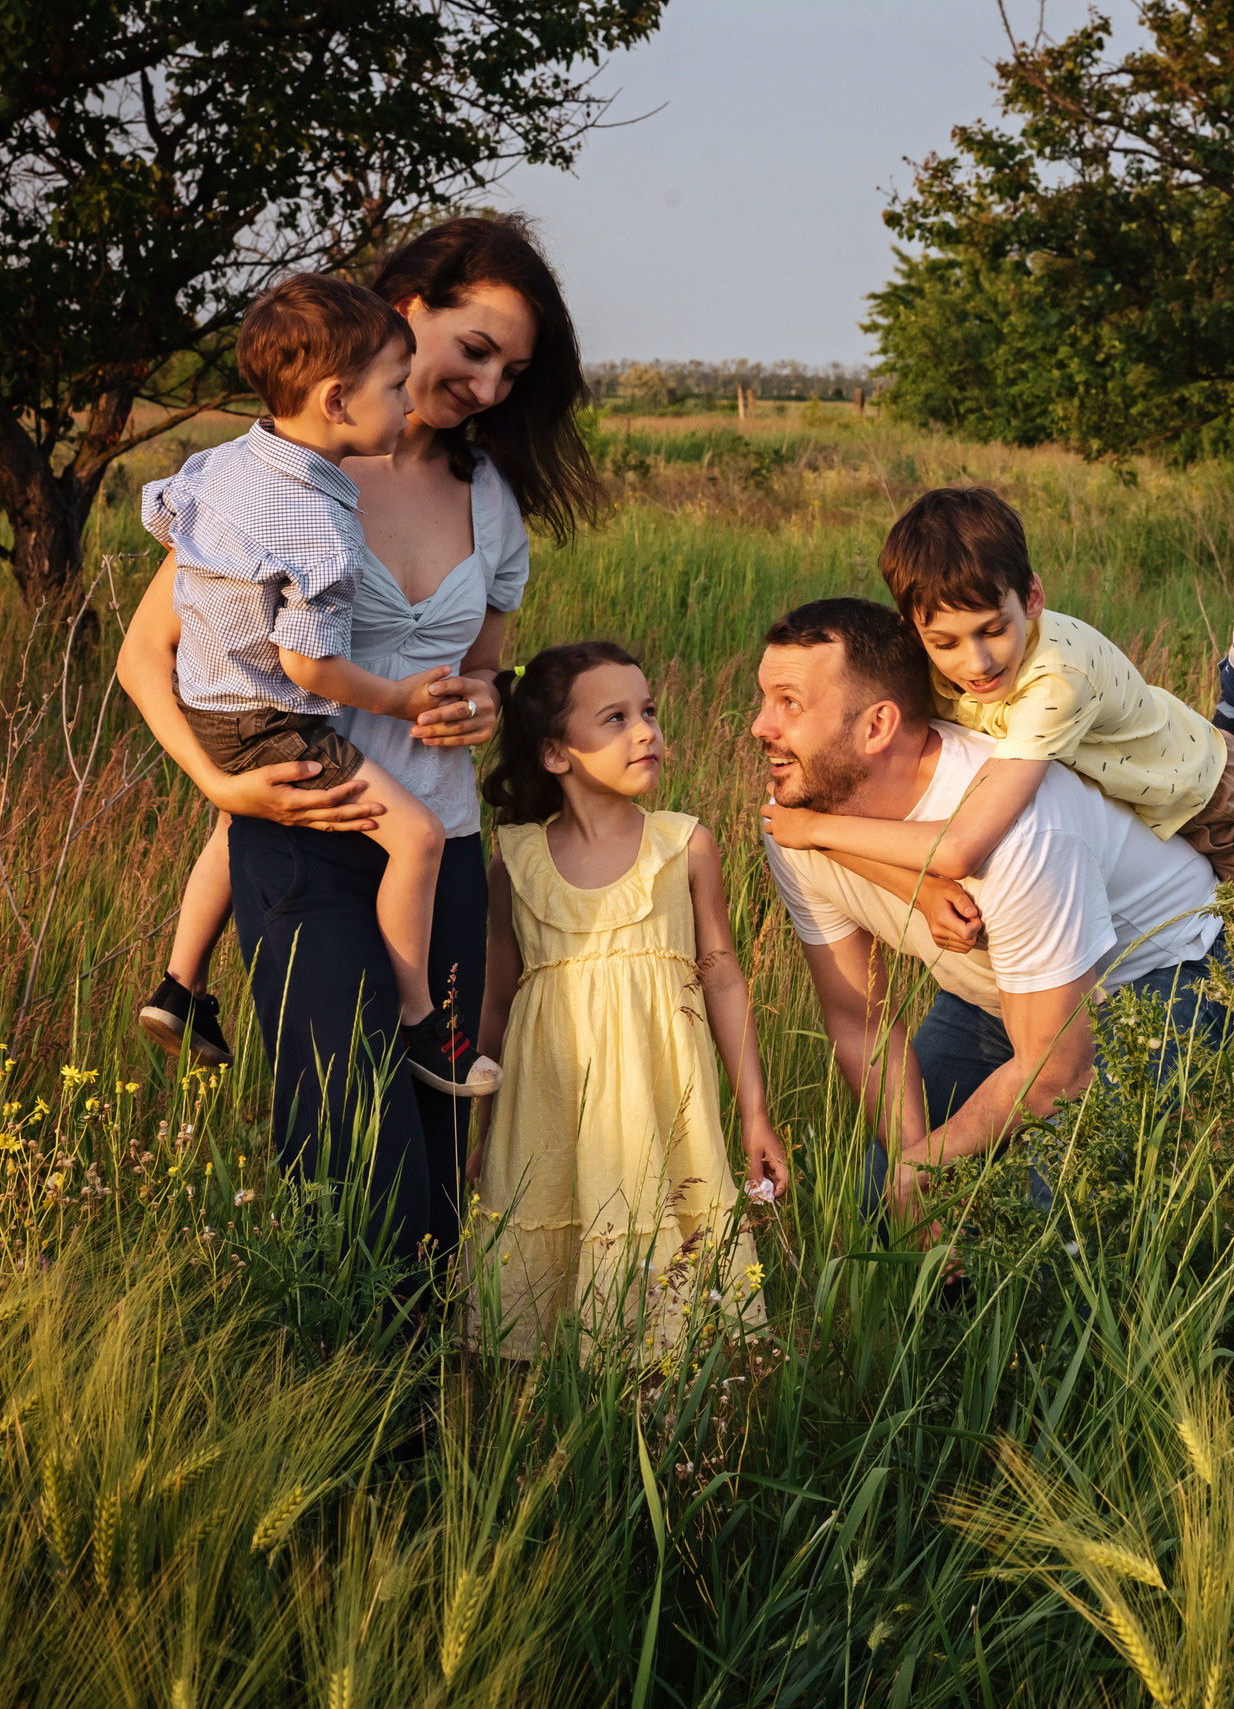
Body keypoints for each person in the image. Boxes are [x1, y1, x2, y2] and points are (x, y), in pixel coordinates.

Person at [118, 213, 604, 1270]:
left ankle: (422, 1372)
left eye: (513, 373)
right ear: (407, 309)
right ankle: (340, 1362)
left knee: (435, 1147)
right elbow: (144, 655)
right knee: (348, 1131)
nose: (488, 386)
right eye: (475, 348)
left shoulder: (491, 500)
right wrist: (222, 788)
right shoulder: (276, 478)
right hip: (309, 835)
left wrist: (483, 704)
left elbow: (488, 666)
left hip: (444, 848)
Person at [758, 485, 1234, 1024]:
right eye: (946, 643)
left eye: (993, 631)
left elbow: (958, 848)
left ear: (1032, 597)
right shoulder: (937, 658)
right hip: (1107, 768)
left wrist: (813, 829)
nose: (975, 663)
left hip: (1200, 794)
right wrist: (915, 887)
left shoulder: (1057, 682)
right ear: (915, 631)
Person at [754, 598, 1232, 1229]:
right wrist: (914, 1173)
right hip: (998, 998)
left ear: (877, 726)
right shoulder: (794, 824)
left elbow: (1058, 1071)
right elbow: (860, 1023)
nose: (760, 725)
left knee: (1043, 1218)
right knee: (877, 1207)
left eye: (789, 703)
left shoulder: (1018, 831)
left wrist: (928, 1165)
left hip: (1163, 979)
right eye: (765, 699)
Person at [137, 272, 471, 1090]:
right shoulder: (320, 522)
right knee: (420, 838)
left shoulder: (220, 466)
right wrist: (396, 699)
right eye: (395, 386)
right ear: (336, 399)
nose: (408, 402)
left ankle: (179, 985)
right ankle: (419, 1017)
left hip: (208, 706)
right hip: (270, 722)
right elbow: (307, 665)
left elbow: (173, 532)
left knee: (231, 825)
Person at [469, 642, 789, 1357]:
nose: (645, 731)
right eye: (614, 718)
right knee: (542, 1306)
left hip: (661, 1109)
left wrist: (755, 1113)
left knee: (674, 1315)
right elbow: (495, 1002)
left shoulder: (683, 846)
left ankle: (662, 1410)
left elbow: (723, 978)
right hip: (546, 1113)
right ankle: (549, 1414)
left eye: (649, 712)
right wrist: (482, 1128)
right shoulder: (514, 861)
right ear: (556, 753)